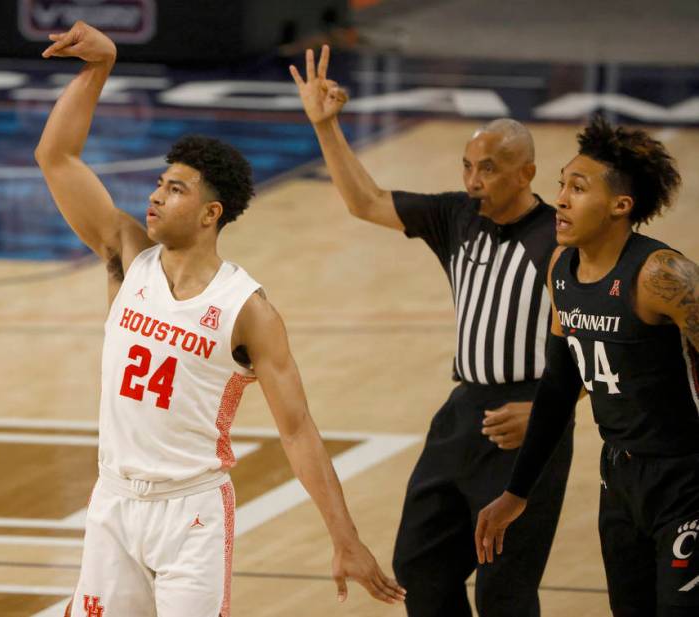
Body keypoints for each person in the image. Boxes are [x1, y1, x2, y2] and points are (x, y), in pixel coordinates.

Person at [34, 22, 405, 617]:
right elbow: (56, 157)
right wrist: (99, 66)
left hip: (193, 513)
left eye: (174, 189)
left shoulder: (247, 309)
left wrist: (345, 538)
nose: (154, 196)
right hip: (113, 502)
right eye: (158, 183)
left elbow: (298, 430)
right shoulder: (127, 254)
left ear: (210, 213)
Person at [290, 46, 574, 616]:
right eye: (467, 167)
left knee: (503, 591)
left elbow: (603, 337)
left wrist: (550, 411)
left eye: (488, 169)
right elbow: (364, 201)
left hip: (527, 423)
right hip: (462, 412)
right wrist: (327, 127)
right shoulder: (456, 216)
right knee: (421, 565)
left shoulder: (562, 238)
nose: (473, 181)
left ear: (527, 173)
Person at [475, 116, 699, 616]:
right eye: (561, 184)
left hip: (686, 479)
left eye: (577, 188)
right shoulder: (562, 269)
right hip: (618, 478)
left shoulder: (663, 275)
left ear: (621, 205)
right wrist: (516, 493)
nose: (559, 199)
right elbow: (558, 388)